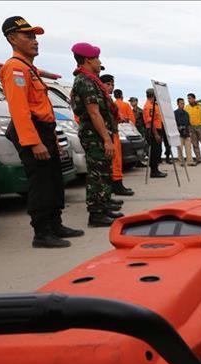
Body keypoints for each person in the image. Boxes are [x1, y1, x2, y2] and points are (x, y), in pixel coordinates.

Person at [0, 16, 82, 248]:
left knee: (54, 180)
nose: (35, 41)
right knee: (41, 182)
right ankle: (42, 232)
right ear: (12, 38)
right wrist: (33, 142)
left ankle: (55, 224)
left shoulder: (29, 68)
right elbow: (19, 110)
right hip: (33, 132)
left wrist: (51, 137)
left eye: (35, 36)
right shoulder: (15, 68)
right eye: (28, 36)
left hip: (44, 130)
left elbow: (42, 109)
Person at [70, 43, 123, 227]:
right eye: (97, 58)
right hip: (94, 135)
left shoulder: (92, 80)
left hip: (99, 133)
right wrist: (107, 139)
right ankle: (96, 213)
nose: (99, 62)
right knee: (97, 174)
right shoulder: (84, 81)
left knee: (104, 171)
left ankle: (104, 204)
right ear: (88, 60)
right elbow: (94, 112)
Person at [99, 74, 133, 197]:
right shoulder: (100, 98)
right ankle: (113, 188)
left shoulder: (108, 99)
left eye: (112, 85)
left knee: (117, 160)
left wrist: (121, 118)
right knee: (111, 162)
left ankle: (117, 185)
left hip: (114, 132)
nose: (111, 87)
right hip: (107, 133)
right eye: (108, 84)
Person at [143, 88, 168, 177]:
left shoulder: (154, 105)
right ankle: (154, 171)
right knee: (154, 151)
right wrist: (156, 134)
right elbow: (150, 122)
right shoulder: (149, 106)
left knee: (158, 150)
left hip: (158, 129)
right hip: (153, 130)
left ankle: (156, 169)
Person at [174, 97, 194, 166]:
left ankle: (190, 161)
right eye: (181, 103)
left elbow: (189, 124)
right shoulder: (175, 113)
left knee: (188, 148)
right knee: (180, 148)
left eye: (183, 103)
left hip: (187, 133)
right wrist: (177, 129)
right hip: (179, 133)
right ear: (177, 104)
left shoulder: (186, 113)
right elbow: (173, 124)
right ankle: (181, 162)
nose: (182, 105)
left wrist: (190, 132)